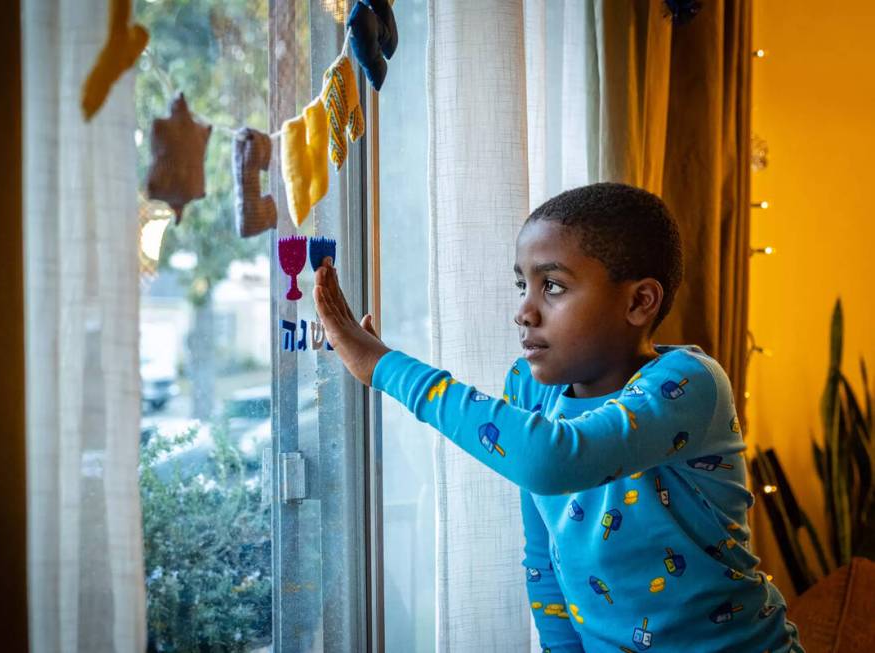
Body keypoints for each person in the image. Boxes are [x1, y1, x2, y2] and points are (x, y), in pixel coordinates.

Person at [313, 182, 803, 652]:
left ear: (639, 302)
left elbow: (551, 460)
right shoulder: (530, 387)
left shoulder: (690, 384)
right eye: (521, 284)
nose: (524, 311)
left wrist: (384, 366)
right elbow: (544, 559)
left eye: (551, 285)